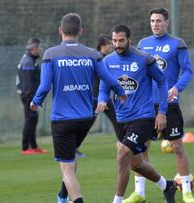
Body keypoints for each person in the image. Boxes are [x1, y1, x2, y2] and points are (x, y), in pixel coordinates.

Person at [30, 13, 126, 203]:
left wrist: (36, 101)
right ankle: (63, 196)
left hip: (62, 119)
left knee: (66, 168)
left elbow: (45, 85)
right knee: (71, 158)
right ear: (80, 31)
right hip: (85, 118)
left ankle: (76, 200)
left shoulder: (51, 54)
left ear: (60, 31)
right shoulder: (93, 54)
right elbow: (108, 78)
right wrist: (120, 90)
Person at [97, 24, 176, 203]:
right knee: (136, 164)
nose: (117, 44)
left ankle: (117, 201)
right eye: (114, 40)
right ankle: (167, 186)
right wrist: (102, 100)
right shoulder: (108, 61)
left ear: (129, 40)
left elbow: (162, 82)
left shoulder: (144, 59)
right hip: (121, 119)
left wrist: (162, 112)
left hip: (143, 116)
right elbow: (104, 87)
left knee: (123, 154)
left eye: (121, 40)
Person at [124, 8, 194, 203]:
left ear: (167, 22)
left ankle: (186, 191)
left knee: (177, 146)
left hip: (169, 104)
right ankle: (139, 193)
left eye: (158, 21)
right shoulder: (142, 44)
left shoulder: (177, 44)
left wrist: (177, 88)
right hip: (145, 105)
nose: (155, 24)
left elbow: (188, 71)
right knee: (141, 149)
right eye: (152, 21)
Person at [16, 38, 48, 155]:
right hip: (29, 97)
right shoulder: (28, 62)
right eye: (39, 47)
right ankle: (25, 148)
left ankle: (33, 146)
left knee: (33, 120)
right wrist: (32, 99)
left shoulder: (30, 60)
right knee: (30, 120)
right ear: (33, 49)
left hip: (31, 97)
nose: (40, 50)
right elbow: (27, 84)